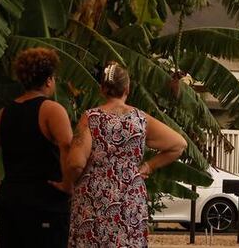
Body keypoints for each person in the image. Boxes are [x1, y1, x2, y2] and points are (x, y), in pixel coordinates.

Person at [67, 62, 186, 248]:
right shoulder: (140, 119)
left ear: (102, 89)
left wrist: (70, 183)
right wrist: (148, 166)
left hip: (93, 198)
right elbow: (179, 145)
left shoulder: (90, 118)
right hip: (130, 198)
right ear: (127, 89)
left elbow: (75, 163)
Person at [0, 47, 74, 248]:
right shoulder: (52, 110)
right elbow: (67, 146)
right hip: (45, 203)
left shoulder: (5, 113)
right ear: (49, 80)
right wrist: (68, 184)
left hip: (11, 202)